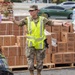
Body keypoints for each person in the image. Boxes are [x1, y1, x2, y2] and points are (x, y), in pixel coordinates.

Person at [12, 5, 69, 75]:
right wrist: (14, 21)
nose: (31, 12)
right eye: (30, 11)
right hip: (30, 44)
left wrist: (62, 24)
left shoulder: (42, 19)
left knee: (40, 61)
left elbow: (51, 23)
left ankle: (39, 73)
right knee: (30, 60)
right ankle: (31, 73)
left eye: (32, 11)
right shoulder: (27, 19)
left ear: (37, 11)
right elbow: (19, 24)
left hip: (40, 44)